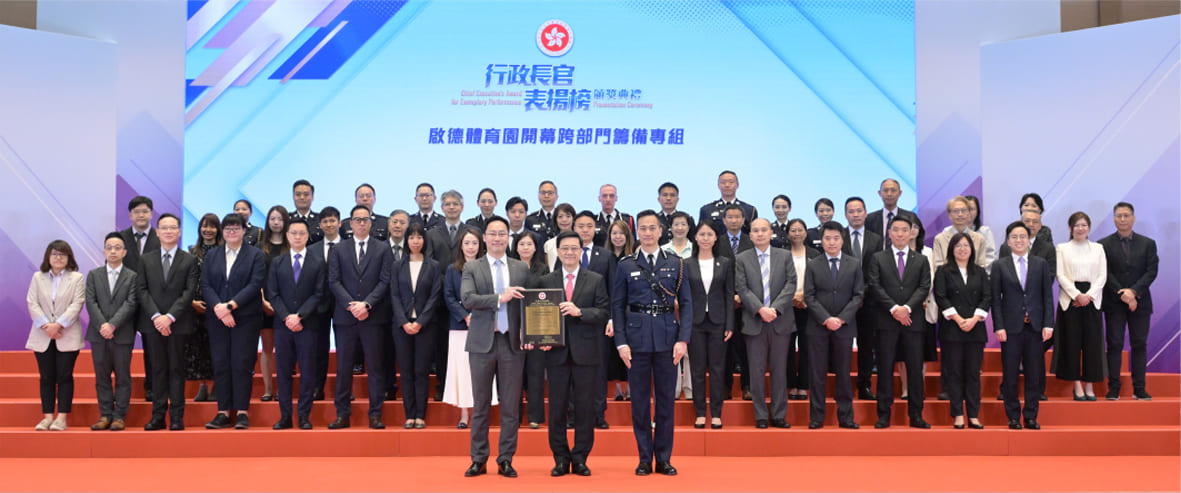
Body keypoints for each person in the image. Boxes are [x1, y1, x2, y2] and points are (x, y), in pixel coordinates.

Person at [613, 210, 692, 476]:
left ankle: (664, 458)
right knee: (639, 404)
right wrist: (621, 343)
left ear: (661, 231)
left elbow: (688, 304)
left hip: (668, 339)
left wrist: (683, 339)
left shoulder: (677, 263)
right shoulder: (626, 264)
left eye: (652, 228)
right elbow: (617, 306)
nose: (647, 233)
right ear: (638, 233)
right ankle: (644, 458)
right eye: (643, 228)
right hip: (635, 342)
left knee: (666, 402)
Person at [531, 231, 611, 477]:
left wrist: (580, 312)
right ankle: (560, 458)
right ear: (557, 251)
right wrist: (540, 338)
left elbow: (603, 312)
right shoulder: (547, 280)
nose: (569, 252)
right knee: (557, 408)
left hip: (586, 353)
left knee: (585, 409)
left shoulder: (595, 279)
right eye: (564, 248)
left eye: (574, 248)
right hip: (555, 353)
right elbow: (539, 314)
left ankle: (580, 458)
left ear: (581, 250)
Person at [460, 216, 530, 478]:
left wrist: (528, 328)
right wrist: (501, 297)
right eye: (493, 234)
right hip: (481, 343)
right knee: (481, 405)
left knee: (511, 405)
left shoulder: (520, 268)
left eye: (503, 233)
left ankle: (506, 458)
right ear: (485, 239)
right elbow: (468, 298)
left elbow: (529, 304)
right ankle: (478, 458)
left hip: (512, 343)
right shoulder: (473, 268)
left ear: (508, 238)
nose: (498, 238)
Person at [327, 205, 393, 430]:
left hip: (373, 317)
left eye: (365, 220)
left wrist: (367, 304)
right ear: (350, 224)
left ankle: (375, 414)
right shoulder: (338, 249)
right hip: (346, 318)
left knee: (375, 367)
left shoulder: (383, 249)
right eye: (357, 220)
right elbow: (334, 281)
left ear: (371, 223)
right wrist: (351, 305)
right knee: (344, 367)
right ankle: (342, 414)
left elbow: (385, 281)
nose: (362, 223)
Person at [201, 214, 266, 430]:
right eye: (227, 229)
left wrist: (231, 306)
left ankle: (242, 411)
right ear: (222, 231)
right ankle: (222, 411)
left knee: (242, 364)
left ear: (243, 230)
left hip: (245, 318)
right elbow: (206, 284)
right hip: (217, 318)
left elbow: (255, 284)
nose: (231, 232)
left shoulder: (255, 255)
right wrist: (220, 308)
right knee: (221, 364)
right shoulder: (212, 255)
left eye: (235, 228)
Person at [865, 216, 931, 429]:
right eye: (896, 230)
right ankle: (883, 415)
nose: (900, 234)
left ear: (912, 232)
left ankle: (916, 415)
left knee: (914, 370)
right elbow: (874, 286)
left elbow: (924, 287)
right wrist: (895, 309)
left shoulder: (920, 259)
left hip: (913, 321)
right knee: (884, 369)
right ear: (889, 233)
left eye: (905, 230)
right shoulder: (878, 258)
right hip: (886, 320)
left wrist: (907, 308)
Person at [137, 214, 199, 431]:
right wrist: (157, 317)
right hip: (152, 324)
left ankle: (176, 417)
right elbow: (141, 290)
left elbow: (189, 291)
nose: (169, 231)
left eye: (173, 227)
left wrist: (170, 317)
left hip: (178, 323)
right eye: (164, 227)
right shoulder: (145, 259)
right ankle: (157, 416)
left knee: (176, 370)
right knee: (157, 370)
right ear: (157, 231)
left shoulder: (189, 259)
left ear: (180, 231)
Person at [735, 218, 796, 429]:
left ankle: (779, 414)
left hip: (780, 321)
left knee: (780, 371)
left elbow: (791, 284)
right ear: (750, 235)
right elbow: (742, 288)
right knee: (756, 371)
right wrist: (760, 309)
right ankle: (760, 415)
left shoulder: (785, 256)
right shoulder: (742, 259)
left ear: (771, 233)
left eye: (763, 230)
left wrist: (775, 309)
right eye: (755, 231)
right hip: (754, 321)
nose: (760, 234)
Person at [992, 221, 1054, 430]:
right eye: (1014, 237)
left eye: (1022, 237)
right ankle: (1012, 416)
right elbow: (995, 298)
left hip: (1035, 327)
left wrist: (1048, 324)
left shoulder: (1040, 264)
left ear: (1029, 240)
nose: (1019, 240)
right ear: (1008, 241)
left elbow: (1047, 296)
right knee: (1010, 374)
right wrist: (998, 326)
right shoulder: (1000, 265)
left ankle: (1030, 416)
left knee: (1034, 374)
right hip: (1010, 328)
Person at [802, 221, 864, 429]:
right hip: (818, 327)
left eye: (836, 238)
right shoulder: (813, 264)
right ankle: (817, 417)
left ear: (842, 240)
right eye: (827, 238)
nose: (832, 242)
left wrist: (841, 318)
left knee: (844, 374)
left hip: (845, 327)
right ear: (822, 240)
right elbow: (809, 296)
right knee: (817, 374)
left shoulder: (854, 264)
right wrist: (826, 319)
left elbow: (858, 295)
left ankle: (846, 417)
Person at [266, 218, 325, 430]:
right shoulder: (278, 263)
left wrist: (299, 316)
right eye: (294, 233)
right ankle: (284, 416)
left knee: (308, 372)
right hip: (283, 326)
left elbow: (318, 294)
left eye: (302, 233)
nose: (298, 237)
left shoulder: (318, 262)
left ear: (308, 236)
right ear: (287, 236)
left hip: (307, 325)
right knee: (283, 372)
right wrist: (287, 317)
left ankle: (303, 416)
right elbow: (272, 294)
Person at [1098, 202, 1158, 400]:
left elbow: (1151, 271)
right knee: (1114, 344)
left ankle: (1139, 388)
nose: (1122, 219)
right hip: (1114, 303)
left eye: (1126, 215)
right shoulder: (1103, 244)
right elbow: (1104, 272)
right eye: (1119, 216)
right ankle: (1113, 387)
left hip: (1140, 303)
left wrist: (1134, 292)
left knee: (1139, 344)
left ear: (1133, 218)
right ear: (1114, 219)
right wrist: (1121, 293)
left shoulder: (1148, 243)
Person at [26, 240, 86, 431]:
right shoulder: (38, 277)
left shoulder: (76, 278)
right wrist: (46, 325)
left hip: (67, 333)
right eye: (54, 254)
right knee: (46, 377)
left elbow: (77, 304)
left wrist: (59, 325)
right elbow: (31, 302)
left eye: (62, 254)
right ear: (48, 257)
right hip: (41, 334)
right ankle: (47, 417)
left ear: (69, 257)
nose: (58, 258)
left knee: (65, 376)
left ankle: (61, 418)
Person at [425, 191, 478, 401]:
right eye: (447, 204)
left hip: (469, 302)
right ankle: (442, 386)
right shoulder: (432, 233)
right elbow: (429, 266)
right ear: (442, 207)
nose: (452, 207)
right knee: (442, 346)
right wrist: (447, 284)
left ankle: (473, 387)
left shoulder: (471, 231)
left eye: (456, 204)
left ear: (462, 207)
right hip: (440, 300)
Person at [934, 233, 990, 429]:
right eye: (958, 246)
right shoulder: (943, 271)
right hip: (952, 329)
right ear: (951, 249)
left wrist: (974, 319)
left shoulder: (980, 272)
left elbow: (986, 297)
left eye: (966, 245)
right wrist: (958, 319)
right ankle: (958, 413)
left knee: (973, 373)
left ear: (972, 249)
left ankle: (973, 415)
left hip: (975, 329)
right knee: (955, 373)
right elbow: (941, 296)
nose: (962, 249)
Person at [85, 233, 140, 431]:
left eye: (118, 247)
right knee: (102, 376)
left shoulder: (132, 276)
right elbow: (90, 302)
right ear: (104, 251)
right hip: (98, 334)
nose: (113, 251)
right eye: (110, 247)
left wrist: (113, 325)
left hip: (122, 333)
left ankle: (119, 416)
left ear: (124, 252)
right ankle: (105, 414)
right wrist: (103, 325)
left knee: (123, 376)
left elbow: (131, 303)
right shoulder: (94, 274)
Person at [442, 228, 496, 428]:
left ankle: (482, 413)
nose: (471, 247)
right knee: (462, 371)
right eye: (467, 243)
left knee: (483, 370)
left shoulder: (487, 267)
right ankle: (464, 415)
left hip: (484, 325)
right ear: (461, 246)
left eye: (474, 243)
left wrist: (477, 315)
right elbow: (448, 296)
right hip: (459, 327)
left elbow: (491, 295)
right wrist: (465, 316)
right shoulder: (452, 269)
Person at [571, 211, 620, 429]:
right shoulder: (567, 253)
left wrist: (612, 318)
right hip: (571, 321)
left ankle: (599, 415)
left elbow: (614, 290)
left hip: (599, 322)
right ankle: (573, 415)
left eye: (589, 226)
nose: (584, 230)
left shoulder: (606, 256)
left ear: (595, 229)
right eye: (580, 226)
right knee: (571, 370)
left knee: (598, 371)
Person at [392, 222, 443, 429]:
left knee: (421, 371)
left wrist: (420, 321)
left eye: (419, 237)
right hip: (402, 326)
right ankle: (409, 415)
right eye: (411, 237)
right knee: (406, 371)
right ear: (406, 240)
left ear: (424, 240)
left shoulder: (433, 265)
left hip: (426, 326)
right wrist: (404, 322)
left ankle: (420, 415)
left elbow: (434, 296)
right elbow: (394, 295)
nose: (415, 241)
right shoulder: (397, 265)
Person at [1053, 211, 1108, 400]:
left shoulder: (1098, 248)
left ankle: (1090, 385)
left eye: (1084, 225)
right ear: (1070, 228)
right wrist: (1076, 295)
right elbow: (1060, 274)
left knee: (1092, 343)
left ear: (1089, 228)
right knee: (1072, 343)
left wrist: (1089, 296)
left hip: (1092, 298)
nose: (1080, 228)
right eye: (1077, 225)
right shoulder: (1062, 248)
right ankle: (1076, 384)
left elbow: (1102, 275)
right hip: (1070, 299)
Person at [685, 221, 734, 429]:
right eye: (701, 234)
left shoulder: (725, 262)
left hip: (718, 321)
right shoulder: (686, 263)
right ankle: (699, 413)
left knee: (717, 369)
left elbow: (729, 295)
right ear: (695, 237)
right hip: (695, 322)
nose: (705, 238)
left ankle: (716, 413)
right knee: (696, 369)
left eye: (709, 234)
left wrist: (729, 323)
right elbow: (685, 297)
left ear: (716, 238)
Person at [118, 196, 159, 403]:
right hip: (125, 301)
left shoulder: (161, 237)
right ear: (130, 215)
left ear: (151, 213)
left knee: (152, 348)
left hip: (152, 301)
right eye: (136, 212)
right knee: (122, 349)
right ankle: (121, 389)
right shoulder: (120, 238)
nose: (141, 215)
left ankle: (152, 387)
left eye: (145, 211)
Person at [842, 196, 882, 400]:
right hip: (843, 302)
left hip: (869, 302)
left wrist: (862, 294)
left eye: (859, 211)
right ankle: (843, 386)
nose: (855, 215)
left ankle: (864, 385)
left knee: (867, 345)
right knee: (843, 346)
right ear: (845, 214)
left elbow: (877, 271)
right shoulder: (838, 237)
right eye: (851, 211)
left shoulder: (877, 239)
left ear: (865, 213)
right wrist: (852, 296)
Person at [511, 229, 550, 428]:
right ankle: (514, 416)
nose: (525, 248)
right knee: (514, 374)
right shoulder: (509, 268)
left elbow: (547, 299)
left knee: (535, 372)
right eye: (521, 244)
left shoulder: (543, 269)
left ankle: (535, 417)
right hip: (512, 325)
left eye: (529, 244)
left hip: (536, 327)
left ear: (536, 248)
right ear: (515, 247)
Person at [717, 203, 752, 400]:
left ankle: (747, 385)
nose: (733, 220)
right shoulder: (716, 241)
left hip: (747, 305)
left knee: (747, 347)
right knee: (725, 347)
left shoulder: (751, 240)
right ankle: (725, 386)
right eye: (729, 217)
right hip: (723, 303)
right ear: (724, 220)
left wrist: (742, 296)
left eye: (737, 217)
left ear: (743, 219)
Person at [307, 207, 342, 401]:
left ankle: (345, 390)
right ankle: (317, 388)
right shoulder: (311, 250)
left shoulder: (348, 246)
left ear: (339, 223)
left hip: (343, 305)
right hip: (318, 306)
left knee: (345, 349)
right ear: (320, 225)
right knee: (318, 348)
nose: (329, 224)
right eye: (325, 221)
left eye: (332, 220)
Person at [257, 205, 291, 402]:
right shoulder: (260, 248)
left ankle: (284, 389)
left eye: (279, 219)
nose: (276, 222)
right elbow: (257, 278)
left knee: (285, 350)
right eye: (272, 219)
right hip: (264, 305)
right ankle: (269, 389)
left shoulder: (291, 245)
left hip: (286, 306)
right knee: (267, 348)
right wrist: (263, 301)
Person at [186, 214, 220, 402]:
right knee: (197, 348)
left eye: (212, 226)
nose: (208, 230)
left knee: (215, 347)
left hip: (218, 306)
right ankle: (202, 385)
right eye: (204, 226)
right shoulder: (192, 252)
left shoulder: (224, 251)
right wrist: (191, 301)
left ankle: (216, 384)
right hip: (196, 306)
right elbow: (186, 280)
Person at [661, 211, 694, 400]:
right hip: (667, 307)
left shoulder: (696, 248)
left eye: (683, 224)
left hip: (689, 305)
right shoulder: (663, 250)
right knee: (670, 349)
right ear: (670, 228)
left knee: (688, 346)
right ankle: (672, 390)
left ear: (689, 227)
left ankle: (689, 389)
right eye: (676, 224)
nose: (680, 228)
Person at [786, 219, 820, 401]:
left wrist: (805, 296)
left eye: (800, 230)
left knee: (807, 346)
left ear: (806, 233)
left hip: (809, 307)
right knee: (788, 347)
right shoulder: (782, 254)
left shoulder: (815, 254)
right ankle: (791, 384)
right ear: (787, 233)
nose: (797, 233)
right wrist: (792, 296)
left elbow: (819, 280)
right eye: (793, 230)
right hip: (787, 307)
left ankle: (804, 385)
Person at [606, 219, 634, 400]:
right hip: (611, 310)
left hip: (631, 310)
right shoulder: (604, 257)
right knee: (613, 351)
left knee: (631, 350)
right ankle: (617, 388)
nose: (617, 237)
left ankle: (631, 387)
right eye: (614, 233)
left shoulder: (634, 257)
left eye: (621, 233)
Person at [865, 178, 923, 251]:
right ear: (880, 193)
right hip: (876, 260)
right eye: (886, 190)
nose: (889, 194)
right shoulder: (869, 219)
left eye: (893, 190)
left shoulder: (910, 217)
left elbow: (919, 241)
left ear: (900, 193)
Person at [932, 196, 987, 269]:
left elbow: (981, 266)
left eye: (963, 210)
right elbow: (938, 267)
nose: (960, 214)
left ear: (968, 213)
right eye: (956, 211)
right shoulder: (940, 239)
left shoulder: (979, 239)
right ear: (949, 215)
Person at [698, 170, 758, 235]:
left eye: (731, 182)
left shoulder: (750, 210)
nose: (727, 185)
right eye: (723, 182)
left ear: (737, 185)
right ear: (718, 186)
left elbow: (754, 235)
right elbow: (701, 234)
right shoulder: (707, 210)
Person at [960, 195, 996, 270]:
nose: (969, 212)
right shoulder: (948, 231)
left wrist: (976, 271)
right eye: (966, 209)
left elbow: (990, 256)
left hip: (979, 274)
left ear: (977, 211)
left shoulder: (985, 231)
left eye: (972, 209)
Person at [542, 203, 577, 269]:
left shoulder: (580, 242)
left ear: (573, 219)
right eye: (560, 217)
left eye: (568, 216)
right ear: (555, 219)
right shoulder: (549, 244)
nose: (564, 220)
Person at [289, 179, 322, 244]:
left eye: (306, 194)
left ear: (312, 197)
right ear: (293, 197)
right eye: (298, 194)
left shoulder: (321, 219)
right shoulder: (286, 218)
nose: (302, 197)